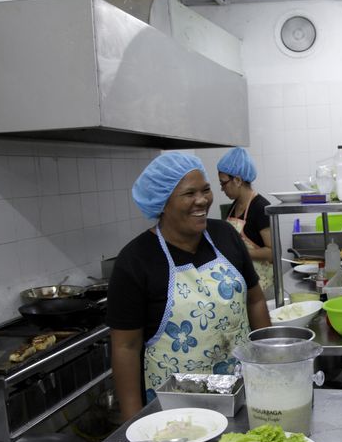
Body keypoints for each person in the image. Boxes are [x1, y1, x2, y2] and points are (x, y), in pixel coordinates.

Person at [108, 152, 271, 421]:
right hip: (176, 412)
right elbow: (126, 347)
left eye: (206, 190)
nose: (202, 200)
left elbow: (255, 301)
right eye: (189, 193)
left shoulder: (225, 236)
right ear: (162, 202)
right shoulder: (136, 260)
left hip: (244, 395)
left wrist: (270, 367)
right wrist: (133, 424)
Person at [217, 147, 275, 295]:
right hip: (242, 284)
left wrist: (240, 253)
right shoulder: (233, 207)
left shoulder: (260, 207)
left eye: (223, 183)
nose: (222, 189)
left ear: (237, 180)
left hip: (263, 287)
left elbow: (271, 252)